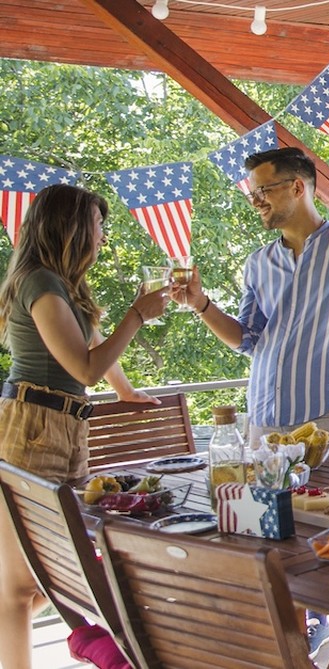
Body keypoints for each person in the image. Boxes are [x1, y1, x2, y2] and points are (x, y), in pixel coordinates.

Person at [171, 147, 329, 667]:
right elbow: (246, 339)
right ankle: (309, 639)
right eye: (252, 193)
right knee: (274, 542)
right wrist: (200, 304)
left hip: (324, 423)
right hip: (263, 426)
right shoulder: (257, 262)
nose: (255, 202)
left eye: (262, 190)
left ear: (297, 186)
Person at [0, 184, 167, 669]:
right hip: (32, 430)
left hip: (63, 429)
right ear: (71, 228)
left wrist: (126, 391)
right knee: (19, 587)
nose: (102, 235)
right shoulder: (39, 283)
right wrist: (136, 315)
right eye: (98, 225)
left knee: (48, 576)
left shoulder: (61, 284)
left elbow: (91, 340)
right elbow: (84, 368)